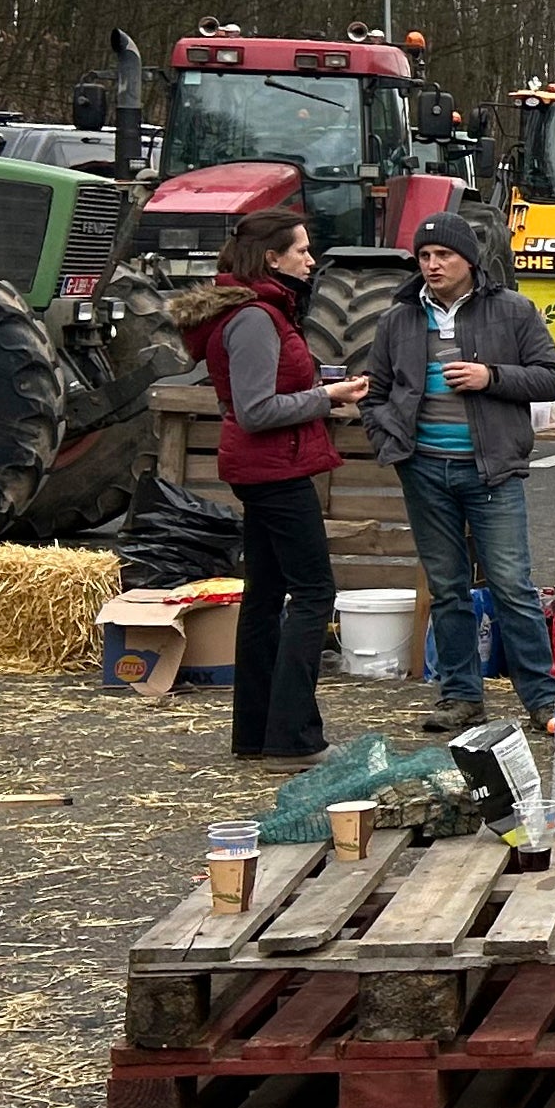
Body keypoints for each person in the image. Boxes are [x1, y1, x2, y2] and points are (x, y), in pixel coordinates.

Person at [175, 211, 369, 761]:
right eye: (303, 250)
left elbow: (239, 400)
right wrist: (327, 398)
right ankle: (294, 737)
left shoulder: (253, 311)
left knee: (263, 597)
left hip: (262, 468)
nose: (311, 259)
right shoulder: (256, 318)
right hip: (274, 471)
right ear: (271, 258)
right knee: (313, 594)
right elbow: (257, 409)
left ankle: (256, 736)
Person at [365, 214, 555, 733]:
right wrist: (389, 440)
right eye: (425, 256)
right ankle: (460, 697)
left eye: (443, 256)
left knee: (511, 585)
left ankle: (543, 698)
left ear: (469, 260)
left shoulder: (512, 310)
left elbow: (551, 378)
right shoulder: (399, 319)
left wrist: (491, 376)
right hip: (426, 468)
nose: (432, 265)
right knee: (448, 588)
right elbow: (377, 390)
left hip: (492, 470)